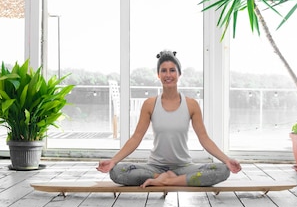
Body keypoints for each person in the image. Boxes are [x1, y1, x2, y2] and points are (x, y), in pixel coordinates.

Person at [97, 50, 242, 187]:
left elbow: (204, 138)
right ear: (158, 75)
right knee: (116, 171)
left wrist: (227, 160)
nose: (168, 75)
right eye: (163, 71)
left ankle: (167, 181)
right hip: (154, 168)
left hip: (184, 167)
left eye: (172, 70)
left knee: (223, 170)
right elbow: (136, 138)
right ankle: (169, 179)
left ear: (179, 74)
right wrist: (113, 160)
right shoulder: (150, 104)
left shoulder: (192, 105)